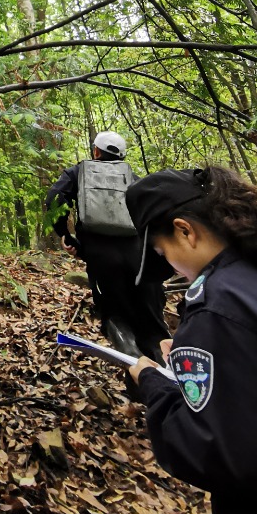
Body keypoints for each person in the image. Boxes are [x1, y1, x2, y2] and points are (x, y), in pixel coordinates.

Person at [126, 166, 257, 514]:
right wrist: (192, 354)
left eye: (163, 253)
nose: (171, 268)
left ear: (186, 231)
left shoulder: (216, 305)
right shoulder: (250, 276)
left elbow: (214, 448)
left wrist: (155, 384)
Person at [46, 130, 168, 360]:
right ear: (122, 155)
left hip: (101, 257)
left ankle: (132, 360)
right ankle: (164, 369)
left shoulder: (78, 172)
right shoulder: (131, 176)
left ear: (96, 151)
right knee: (152, 320)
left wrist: (66, 236)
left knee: (114, 314)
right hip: (138, 256)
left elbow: (54, 199)